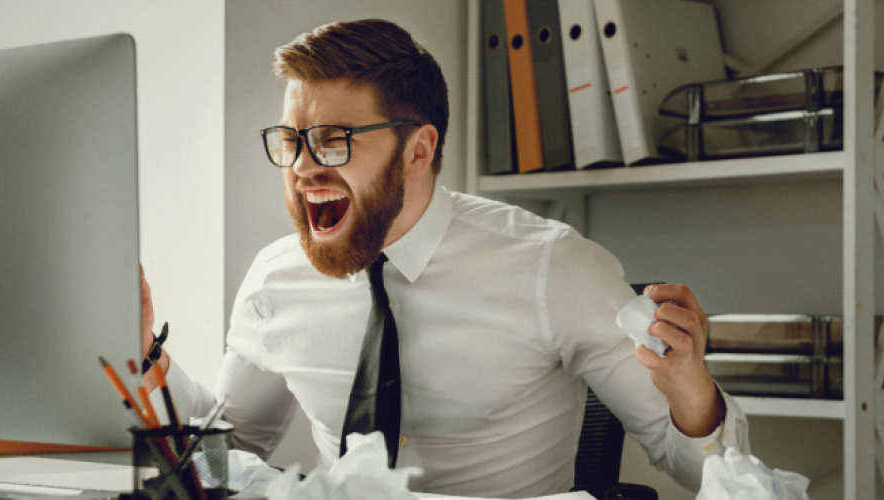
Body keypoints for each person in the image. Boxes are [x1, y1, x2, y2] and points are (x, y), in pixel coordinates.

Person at [141, 18, 749, 498]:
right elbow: (223, 457)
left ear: (418, 148)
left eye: (333, 141)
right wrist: (144, 355)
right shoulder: (276, 280)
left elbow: (700, 473)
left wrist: (692, 393)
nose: (302, 168)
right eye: (292, 141)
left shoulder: (553, 267)